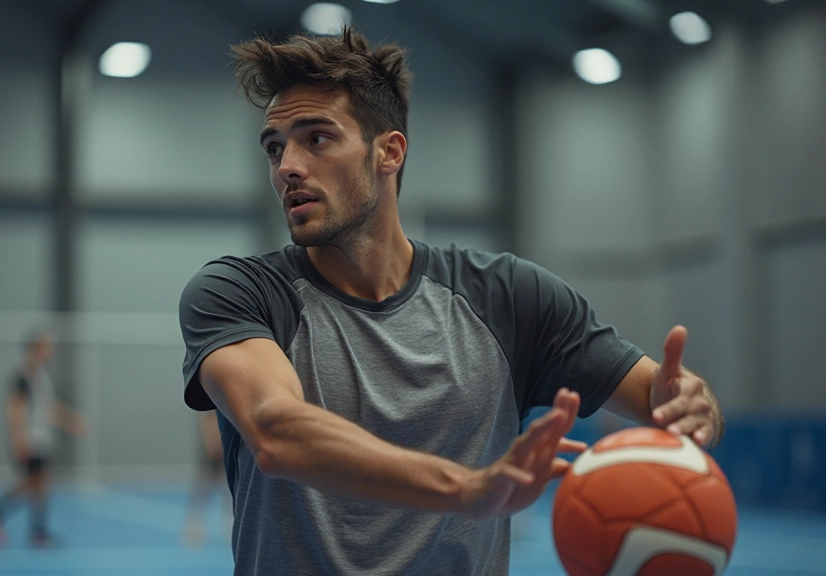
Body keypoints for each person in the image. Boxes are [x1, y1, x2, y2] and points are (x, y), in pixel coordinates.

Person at [178, 29, 725, 575]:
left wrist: (695, 408)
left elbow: (663, 404)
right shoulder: (238, 293)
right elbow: (277, 430)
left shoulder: (511, 298)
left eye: (316, 138)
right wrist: (465, 488)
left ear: (388, 152)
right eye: (275, 147)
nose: (287, 166)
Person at [0, 330, 84, 548]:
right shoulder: (21, 376)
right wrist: (18, 438)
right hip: (29, 439)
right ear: (36, 348)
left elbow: (49, 408)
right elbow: (15, 408)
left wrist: (70, 421)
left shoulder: (40, 377)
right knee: (33, 482)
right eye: (47, 346)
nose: (51, 351)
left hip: (41, 438)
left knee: (42, 483)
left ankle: (37, 531)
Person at [181, 411, 228, 547]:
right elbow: (207, 419)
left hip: (224, 448)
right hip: (213, 451)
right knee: (204, 488)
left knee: (228, 490)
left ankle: (230, 524)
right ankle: (194, 526)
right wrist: (212, 443)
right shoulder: (210, 405)